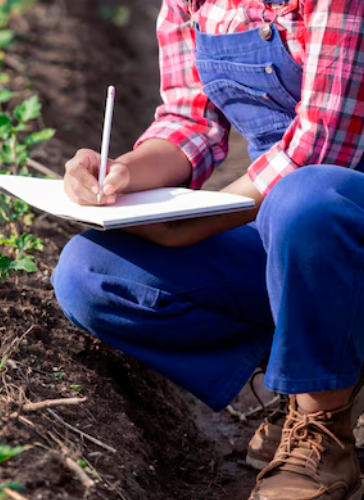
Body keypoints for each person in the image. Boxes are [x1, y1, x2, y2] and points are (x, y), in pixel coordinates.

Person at [50, 1, 364, 499]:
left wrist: (204, 218)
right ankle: (321, 368)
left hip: (339, 216)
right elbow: (189, 122)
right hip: (289, 230)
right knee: (92, 273)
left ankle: (322, 429)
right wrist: (123, 172)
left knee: (306, 203)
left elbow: (324, 145)